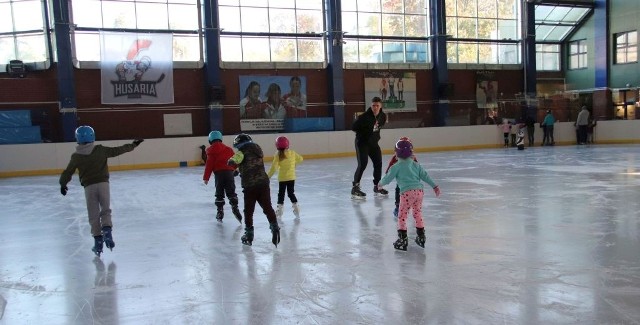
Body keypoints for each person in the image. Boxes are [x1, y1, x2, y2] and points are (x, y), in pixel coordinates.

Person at [59, 126, 143, 257]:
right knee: (105, 209)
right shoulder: (100, 150)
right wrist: (133, 145)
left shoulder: (76, 156)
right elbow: (117, 150)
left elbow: (68, 172)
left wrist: (63, 184)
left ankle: (98, 242)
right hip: (103, 184)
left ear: (78, 139)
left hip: (89, 187)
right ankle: (107, 232)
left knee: (93, 214)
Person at [377, 139, 440, 251]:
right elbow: (425, 176)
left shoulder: (396, 166)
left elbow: (387, 178)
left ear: (396, 153)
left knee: (402, 216)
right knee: (417, 213)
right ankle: (421, 237)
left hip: (406, 193)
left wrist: (380, 184)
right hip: (419, 192)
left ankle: (403, 240)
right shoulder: (416, 165)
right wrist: (434, 186)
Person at [228, 133, 280, 247]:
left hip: (250, 186)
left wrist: (231, 162)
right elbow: (251, 164)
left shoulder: (241, 153)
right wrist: (239, 171)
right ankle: (275, 227)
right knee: (267, 207)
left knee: (248, 211)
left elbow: (232, 161)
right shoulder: (258, 150)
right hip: (263, 183)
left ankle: (249, 234)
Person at [351, 96, 388, 199]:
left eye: (377, 105)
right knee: (363, 164)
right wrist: (364, 132)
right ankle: (355, 188)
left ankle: (377, 186)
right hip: (362, 143)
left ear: (380, 106)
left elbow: (379, 126)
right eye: (373, 105)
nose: (375, 107)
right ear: (371, 106)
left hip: (373, 143)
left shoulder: (382, 116)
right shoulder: (364, 117)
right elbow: (354, 127)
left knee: (378, 163)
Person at [202, 130, 243, 223]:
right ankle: (235, 208)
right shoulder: (228, 149)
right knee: (231, 192)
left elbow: (209, 165)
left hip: (219, 175)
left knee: (219, 194)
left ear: (210, 140)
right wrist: (237, 169)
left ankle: (220, 211)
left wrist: (206, 178)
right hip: (229, 174)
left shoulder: (211, 152)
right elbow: (234, 159)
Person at [267, 136, 304, 218]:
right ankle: (296, 208)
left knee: (281, 194)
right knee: (291, 193)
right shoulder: (292, 153)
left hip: (282, 178)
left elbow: (274, 167)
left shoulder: (278, 155)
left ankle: (279, 211)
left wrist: (268, 176)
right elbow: (301, 159)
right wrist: (294, 162)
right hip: (291, 177)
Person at [385, 136, 418, 218]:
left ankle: (414, 207)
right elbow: (390, 168)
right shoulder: (395, 157)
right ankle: (398, 207)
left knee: (413, 193)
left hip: (412, 181)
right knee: (398, 190)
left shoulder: (412, 157)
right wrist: (387, 175)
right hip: (401, 181)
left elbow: (417, 168)